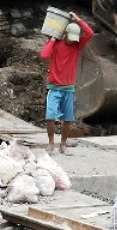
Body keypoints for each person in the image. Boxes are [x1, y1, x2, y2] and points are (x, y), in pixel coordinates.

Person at [40, 12, 94, 153]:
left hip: (69, 88)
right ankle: (51, 143)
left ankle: (63, 144)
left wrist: (78, 19)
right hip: (54, 87)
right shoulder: (56, 44)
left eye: (75, 38)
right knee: (50, 116)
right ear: (65, 34)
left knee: (67, 119)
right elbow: (44, 55)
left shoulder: (77, 46)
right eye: (70, 38)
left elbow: (90, 33)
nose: (73, 40)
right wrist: (52, 40)